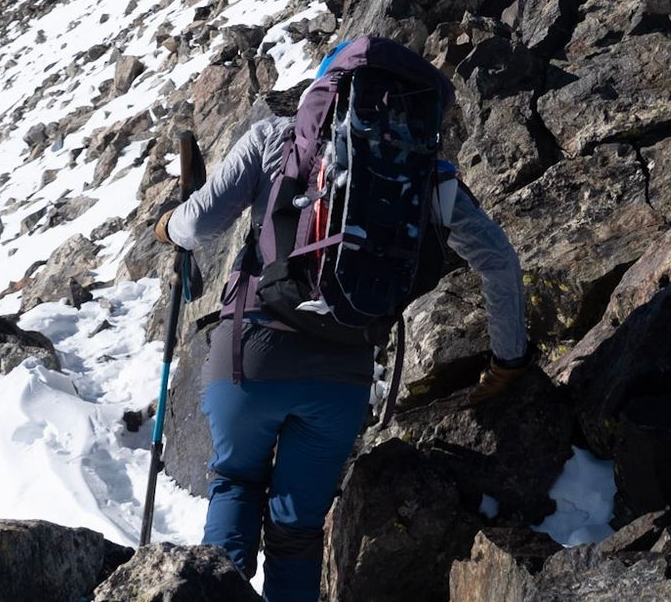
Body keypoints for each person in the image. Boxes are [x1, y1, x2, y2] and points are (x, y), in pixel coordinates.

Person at [156, 49, 529, 602]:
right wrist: (508, 359)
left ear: (326, 90)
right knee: (297, 531)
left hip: (250, 352)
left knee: (234, 485)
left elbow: (199, 225)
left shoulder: (275, 138)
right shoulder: (428, 172)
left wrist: (167, 225)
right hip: (343, 374)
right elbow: (498, 260)